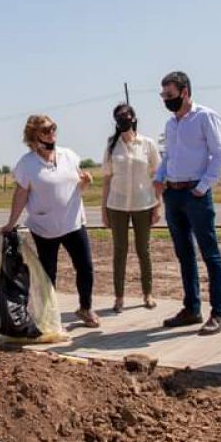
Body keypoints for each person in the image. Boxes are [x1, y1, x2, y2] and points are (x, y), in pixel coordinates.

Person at [1, 115, 98, 327]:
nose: (51, 133)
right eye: (45, 130)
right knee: (48, 274)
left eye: (53, 128)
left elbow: (74, 189)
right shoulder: (27, 165)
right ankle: (48, 318)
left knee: (86, 267)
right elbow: (21, 195)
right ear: (34, 136)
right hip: (44, 228)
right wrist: (10, 223)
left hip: (73, 223)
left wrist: (86, 183)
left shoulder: (69, 156)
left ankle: (85, 308)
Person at [154, 71, 221, 335]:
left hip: (195, 194)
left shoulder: (205, 117)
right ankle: (192, 308)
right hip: (173, 195)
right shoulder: (171, 124)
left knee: (210, 254)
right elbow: (169, 157)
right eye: (163, 95)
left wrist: (202, 187)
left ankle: (219, 313)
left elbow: (219, 156)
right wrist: (159, 177)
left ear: (185, 92)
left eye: (170, 95)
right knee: (184, 254)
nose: (166, 100)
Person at [101, 104, 161, 313]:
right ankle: (119, 298)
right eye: (119, 117)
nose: (124, 119)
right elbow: (107, 179)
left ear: (134, 118)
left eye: (127, 116)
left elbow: (157, 176)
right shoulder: (111, 145)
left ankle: (148, 293)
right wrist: (104, 210)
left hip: (143, 204)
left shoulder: (148, 144)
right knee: (120, 251)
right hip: (117, 205)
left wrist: (158, 205)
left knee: (143, 250)